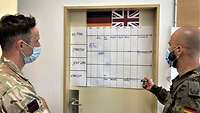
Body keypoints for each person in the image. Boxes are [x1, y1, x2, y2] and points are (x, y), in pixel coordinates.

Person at [0, 14, 50, 113]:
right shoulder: (15, 89)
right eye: (36, 41)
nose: (39, 45)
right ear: (21, 45)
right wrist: (43, 104)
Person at [143, 27, 200, 113]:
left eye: (170, 45)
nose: (168, 50)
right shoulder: (185, 79)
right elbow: (174, 104)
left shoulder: (191, 86)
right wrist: (154, 88)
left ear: (178, 50)